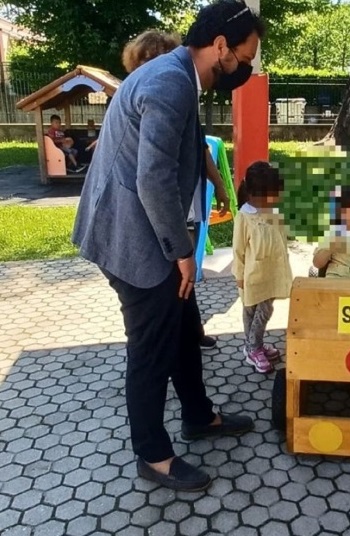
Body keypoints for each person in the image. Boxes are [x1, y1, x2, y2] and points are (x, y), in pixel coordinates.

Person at [72, 0, 264, 492]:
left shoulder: (179, 73)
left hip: (144, 227)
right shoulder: (170, 82)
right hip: (131, 238)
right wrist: (182, 252)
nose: (244, 68)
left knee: (182, 325)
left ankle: (199, 416)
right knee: (151, 347)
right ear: (219, 45)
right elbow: (153, 178)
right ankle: (152, 455)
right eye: (244, 58)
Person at [121, 29, 232, 350]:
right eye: (147, 62)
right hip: (148, 217)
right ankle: (168, 342)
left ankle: (189, 332)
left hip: (180, 206)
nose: (156, 68)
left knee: (184, 276)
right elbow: (151, 177)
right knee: (170, 285)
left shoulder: (177, 90)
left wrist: (220, 185)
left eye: (161, 59)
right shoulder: (152, 92)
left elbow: (200, 150)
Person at [232, 162, 292, 374]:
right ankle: (252, 348)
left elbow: (280, 239)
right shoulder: (245, 217)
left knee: (263, 310)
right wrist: (239, 275)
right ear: (260, 195)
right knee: (252, 311)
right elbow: (238, 250)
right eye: (274, 194)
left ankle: (254, 345)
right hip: (253, 276)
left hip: (272, 273)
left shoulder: (273, 212)